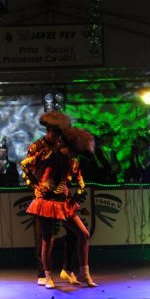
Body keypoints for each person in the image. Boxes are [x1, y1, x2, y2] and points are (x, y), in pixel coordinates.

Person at [22, 123, 97, 289]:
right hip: (46, 201)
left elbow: (81, 183)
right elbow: (24, 164)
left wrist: (75, 197)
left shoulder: (72, 161)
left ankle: (83, 273)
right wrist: (36, 185)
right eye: (72, 151)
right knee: (47, 239)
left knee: (83, 234)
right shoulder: (47, 155)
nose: (73, 154)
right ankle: (47, 276)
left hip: (63, 202)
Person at [23, 111, 72, 286]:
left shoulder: (62, 146)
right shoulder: (36, 147)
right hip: (43, 196)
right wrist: (36, 186)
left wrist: (66, 183)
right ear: (48, 130)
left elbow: (69, 169)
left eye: (58, 133)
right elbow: (26, 170)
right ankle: (43, 272)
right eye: (54, 132)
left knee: (73, 231)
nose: (56, 136)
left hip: (60, 196)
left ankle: (68, 268)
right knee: (43, 236)